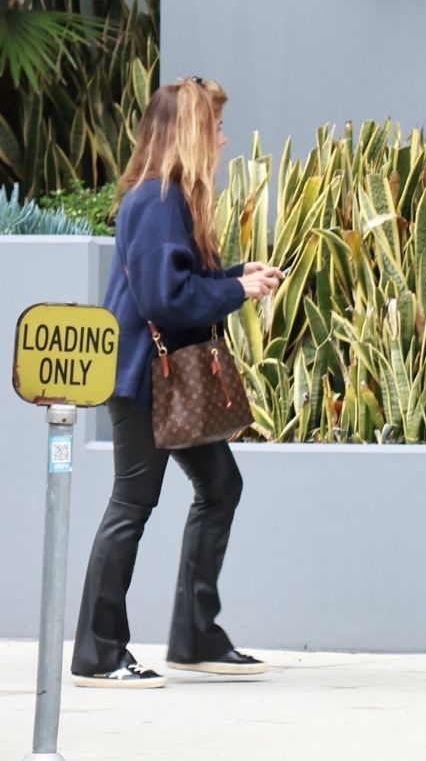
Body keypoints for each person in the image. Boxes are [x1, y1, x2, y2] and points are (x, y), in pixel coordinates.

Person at [70, 77, 283, 689]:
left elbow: (183, 279)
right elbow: (166, 296)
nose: (224, 137)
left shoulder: (166, 199)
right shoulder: (157, 201)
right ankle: (98, 652)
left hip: (164, 380)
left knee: (220, 486)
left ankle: (196, 637)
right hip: (147, 381)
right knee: (132, 504)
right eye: (215, 127)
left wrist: (240, 274)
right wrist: (236, 289)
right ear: (192, 132)